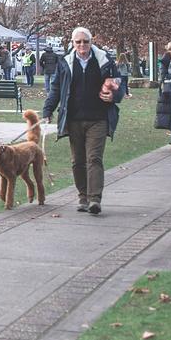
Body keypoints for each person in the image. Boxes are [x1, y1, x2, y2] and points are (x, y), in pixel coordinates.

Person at [42, 27, 122, 215]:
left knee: (94, 158)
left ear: (91, 42)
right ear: (72, 43)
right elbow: (56, 88)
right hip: (74, 119)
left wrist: (113, 96)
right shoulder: (65, 63)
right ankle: (83, 197)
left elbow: (119, 83)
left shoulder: (104, 61)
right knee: (77, 161)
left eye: (85, 41)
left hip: (98, 118)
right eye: (78, 42)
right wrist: (48, 110)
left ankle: (95, 199)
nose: (82, 45)